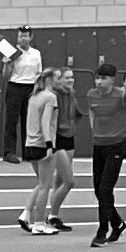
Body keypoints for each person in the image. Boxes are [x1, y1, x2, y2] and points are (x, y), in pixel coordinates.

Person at [86, 63, 126, 248]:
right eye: (97, 78)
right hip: (99, 145)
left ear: (112, 80)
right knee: (98, 190)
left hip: (115, 145)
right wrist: (93, 126)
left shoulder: (121, 96)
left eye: (104, 78)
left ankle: (102, 232)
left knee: (106, 189)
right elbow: (91, 110)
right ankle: (117, 223)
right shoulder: (92, 94)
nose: (99, 82)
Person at [18, 68, 58, 234]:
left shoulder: (34, 96)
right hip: (42, 144)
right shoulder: (50, 97)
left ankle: (26, 213)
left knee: (41, 183)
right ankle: (39, 223)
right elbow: (45, 122)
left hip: (30, 144)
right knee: (45, 186)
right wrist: (49, 144)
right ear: (50, 79)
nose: (60, 81)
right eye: (57, 78)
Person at [46, 65, 80, 231]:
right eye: (67, 77)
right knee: (69, 181)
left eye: (72, 77)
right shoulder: (53, 95)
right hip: (57, 138)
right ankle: (52, 216)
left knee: (59, 181)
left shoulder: (71, 94)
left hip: (69, 137)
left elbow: (76, 114)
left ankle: (54, 215)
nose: (70, 80)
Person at [1, 26, 42, 163]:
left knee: (28, 121)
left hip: (30, 88)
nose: (22, 39)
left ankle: (27, 152)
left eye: (25, 36)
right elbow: (5, 76)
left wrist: (37, 91)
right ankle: (9, 152)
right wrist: (7, 64)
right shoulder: (12, 52)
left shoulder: (36, 54)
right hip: (15, 86)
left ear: (30, 37)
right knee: (11, 121)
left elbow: (39, 74)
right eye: (20, 36)